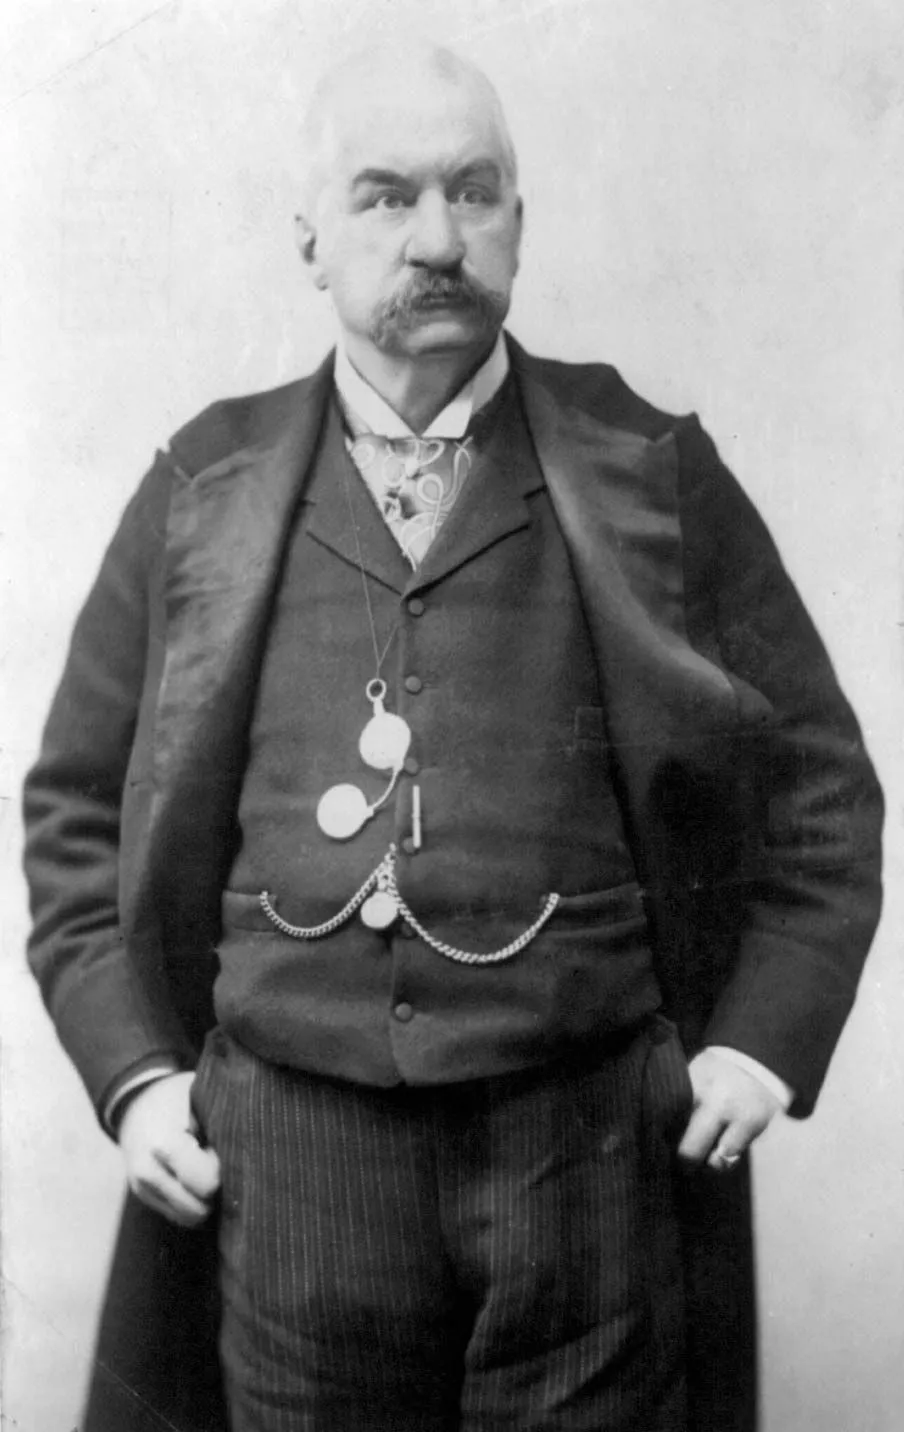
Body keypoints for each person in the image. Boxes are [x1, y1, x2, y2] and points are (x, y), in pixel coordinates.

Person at [23, 41, 883, 1432]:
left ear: (519, 223)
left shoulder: (649, 468)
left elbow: (822, 796)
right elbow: (71, 810)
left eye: (473, 192)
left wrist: (762, 1042)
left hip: (588, 1155)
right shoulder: (204, 486)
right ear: (310, 239)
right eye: (386, 196)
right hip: (291, 1163)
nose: (437, 239)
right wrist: (136, 1078)